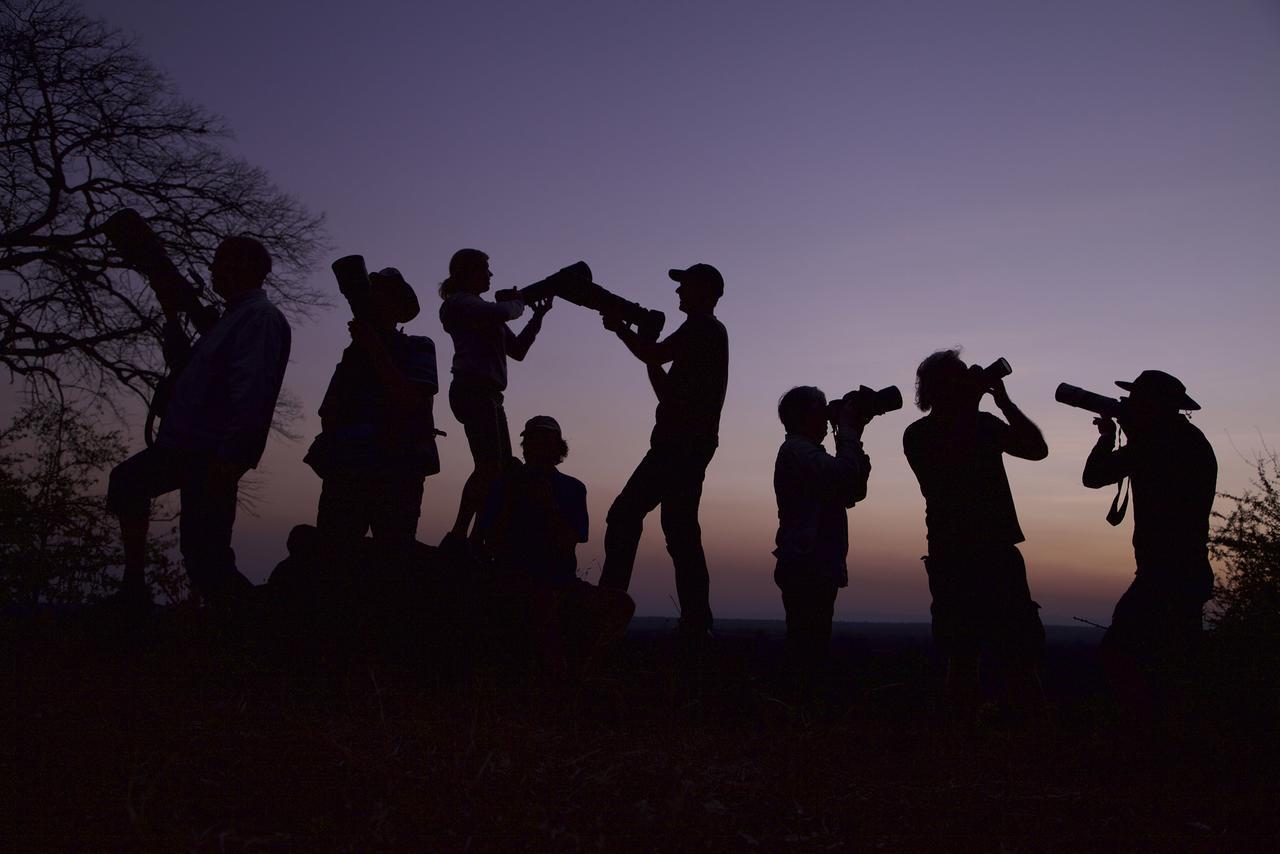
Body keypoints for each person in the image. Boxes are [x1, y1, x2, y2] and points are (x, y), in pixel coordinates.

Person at [106, 236, 291, 609]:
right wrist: (172, 315)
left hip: (211, 452)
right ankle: (137, 590)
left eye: (221, 261)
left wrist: (233, 455)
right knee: (136, 490)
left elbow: (252, 388)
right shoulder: (232, 319)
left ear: (242, 267)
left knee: (205, 556)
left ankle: (255, 631)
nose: (212, 269)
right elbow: (190, 369)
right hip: (191, 447)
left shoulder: (258, 318)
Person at [902, 349, 1048, 717]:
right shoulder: (926, 433)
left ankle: (1019, 730)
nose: (970, 377)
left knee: (1015, 651)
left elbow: (1037, 450)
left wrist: (1004, 403)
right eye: (961, 374)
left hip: (979, 552)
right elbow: (952, 460)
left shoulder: (979, 424)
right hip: (964, 554)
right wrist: (984, 404)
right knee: (963, 653)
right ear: (941, 387)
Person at [597, 263, 729, 637]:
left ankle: (607, 607)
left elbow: (653, 355)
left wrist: (622, 330)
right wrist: (642, 341)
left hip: (679, 444)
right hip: (689, 443)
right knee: (680, 530)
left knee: (625, 515)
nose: (677, 293)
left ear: (704, 291)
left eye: (684, 286)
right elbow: (666, 389)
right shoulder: (705, 332)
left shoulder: (702, 327)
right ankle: (696, 623)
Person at [1080, 370, 1216, 719]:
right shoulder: (1182, 439)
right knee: (1175, 664)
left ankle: (1147, 738)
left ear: (1155, 405)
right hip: (1182, 572)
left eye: (1138, 400)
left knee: (1123, 654)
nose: (1131, 405)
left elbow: (1094, 476)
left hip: (1166, 574)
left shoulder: (1163, 442)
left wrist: (1108, 437)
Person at [475, 416, 635, 676]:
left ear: (557, 449)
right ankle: (556, 678)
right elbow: (491, 540)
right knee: (542, 604)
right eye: (530, 442)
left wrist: (546, 504)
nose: (534, 448)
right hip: (514, 581)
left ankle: (584, 669)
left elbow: (568, 541)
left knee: (621, 604)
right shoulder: (505, 484)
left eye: (543, 442)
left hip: (562, 585)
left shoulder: (573, 489)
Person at [304, 268, 439, 558]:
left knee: (393, 561)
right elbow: (328, 411)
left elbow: (410, 400)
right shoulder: (353, 354)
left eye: (381, 294)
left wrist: (374, 349)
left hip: (397, 469)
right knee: (332, 558)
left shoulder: (418, 346)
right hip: (346, 470)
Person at [438, 248, 553, 552]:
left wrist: (536, 319)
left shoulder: (486, 311)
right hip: (472, 389)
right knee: (489, 466)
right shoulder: (459, 304)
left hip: (489, 394)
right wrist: (519, 302)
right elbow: (504, 311)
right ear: (469, 272)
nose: (490, 275)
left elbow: (517, 351)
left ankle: (477, 537)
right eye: (485, 269)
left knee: (497, 470)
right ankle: (460, 535)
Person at [772, 386, 872, 692]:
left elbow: (853, 490)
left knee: (813, 646)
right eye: (821, 408)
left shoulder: (812, 454)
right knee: (807, 648)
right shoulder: (797, 451)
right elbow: (843, 476)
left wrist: (853, 433)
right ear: (803, 416)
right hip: (807, 563)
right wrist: (848, 433)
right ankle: (799, 712)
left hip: (816, 562)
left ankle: (803, 711)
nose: (828, 414)